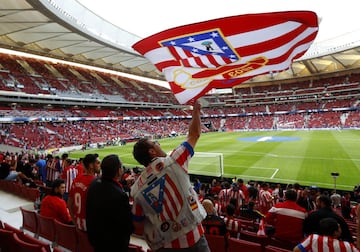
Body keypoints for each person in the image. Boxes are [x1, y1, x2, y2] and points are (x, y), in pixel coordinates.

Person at [131, 101, 210, 251]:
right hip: (193, 239)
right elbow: (194, 134)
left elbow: (138, 224)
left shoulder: (136, 190)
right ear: (152, 152)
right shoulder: (174, 161)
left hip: (165, 246)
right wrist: (196, 111)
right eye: (156, 143)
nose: (159, 144)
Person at [86, 154, 133, 252]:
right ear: (119, 170)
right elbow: (128, 226)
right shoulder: (120, 195)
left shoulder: (93, 184)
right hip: (114, 245)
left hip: (97, 242)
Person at [67, 154, 100, 231]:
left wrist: (75, 221)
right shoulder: (97, 182)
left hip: (78, 224)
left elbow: (69, 204)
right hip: (90, 227)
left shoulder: (76, 180)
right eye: (98, 163)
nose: (100, 165)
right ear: (91, 165)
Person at [293, 217, 358, 252]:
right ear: (335, 232)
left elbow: (296, 250)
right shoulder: (347, 246)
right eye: (339, 227)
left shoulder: (313, 238)